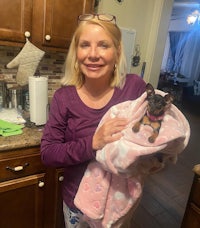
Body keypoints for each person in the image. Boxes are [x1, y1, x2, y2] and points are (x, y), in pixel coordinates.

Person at [40, 13, 146, 228]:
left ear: (117, 52)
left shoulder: (134, 88)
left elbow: (151, 135)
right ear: (76, 52)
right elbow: (48, 153)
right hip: (77, 204)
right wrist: (92, 143)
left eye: (104, 45)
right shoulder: (64, 98)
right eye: (85, 45)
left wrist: (156, 157)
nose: (93, 54)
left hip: (120, 203)